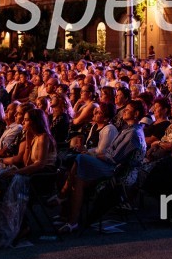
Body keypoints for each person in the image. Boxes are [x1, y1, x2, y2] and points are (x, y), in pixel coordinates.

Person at [59, 99, 147, 233]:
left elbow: (113, 158)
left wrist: (94, 156)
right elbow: (110, 152)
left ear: (136, 114)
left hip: (119, 171)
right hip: (112, 165)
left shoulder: (133, 133)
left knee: (80, 158)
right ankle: (72, 221)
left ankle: (62, 195)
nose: (124, 111)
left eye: (127, 110)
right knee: (78, 180)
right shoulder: (127, 129)